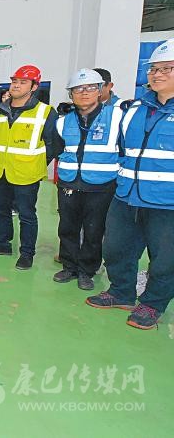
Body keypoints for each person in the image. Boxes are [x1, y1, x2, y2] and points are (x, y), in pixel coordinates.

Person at [86, 39, 174, 330]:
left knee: (165, 259)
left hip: (167, 202)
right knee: (116, 248)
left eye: (167, 68)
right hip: (127, 196)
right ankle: (121, 292)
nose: (157, 74)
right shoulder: (134, 109)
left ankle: (152, 304)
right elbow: (123, 149)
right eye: (153, 69)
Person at [0, 65, 59, 270]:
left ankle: (27, 253)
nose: (16, 85)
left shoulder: (45, 112)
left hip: (27, 173)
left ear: (34, 87)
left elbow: (53, 144)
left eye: (23, 82)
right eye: (14, 81)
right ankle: (2, 243)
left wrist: (36, 164)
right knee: (0, 209)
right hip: (1, 170)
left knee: (26, 214)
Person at [50, 69, 122, 291]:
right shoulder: (63, 122)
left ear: (100, 90)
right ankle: (69, 266)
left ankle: (87, 270)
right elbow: (57, 149)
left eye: (90, 88)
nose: (84, 92)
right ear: (71, 94)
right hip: (69, 183)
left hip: (101, 185)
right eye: (78, 89)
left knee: (94, 230)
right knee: (67, 227)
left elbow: (124, 150)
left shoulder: (116, 117)